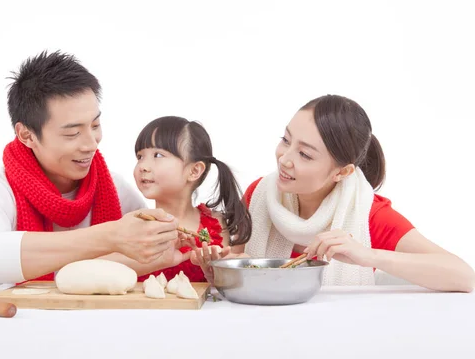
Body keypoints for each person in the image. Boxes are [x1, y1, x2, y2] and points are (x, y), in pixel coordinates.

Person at [193, 94, 475, 292]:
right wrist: (219, 269)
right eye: (285, 140)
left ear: (342, 172)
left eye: (304, 154)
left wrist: (367, 255)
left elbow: (464, 277)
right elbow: (242, 262)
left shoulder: (369, 215)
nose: (284, 159)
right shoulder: (262, 194)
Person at [0, 51, 184, 288]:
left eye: (95, 125)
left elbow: (145, 249)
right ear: (27, 135)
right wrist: (110, 237)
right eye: (72, 133)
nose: (91, 144)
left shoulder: (115, 189)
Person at [133, 116, 252, 282]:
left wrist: (232, 266)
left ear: (195, 170)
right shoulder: (134, 226)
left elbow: (223, 286)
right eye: (140, 156)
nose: (142, 166)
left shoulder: (214, 226)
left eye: (158, 155)